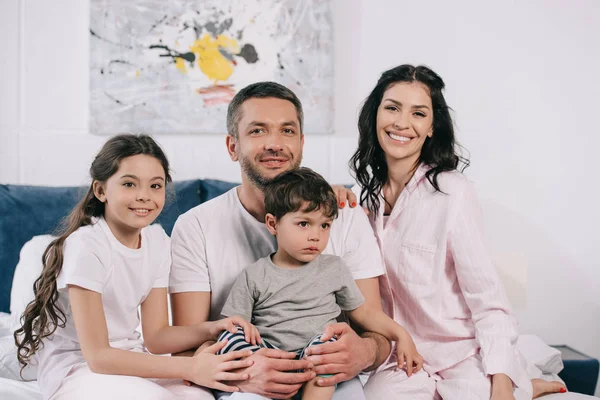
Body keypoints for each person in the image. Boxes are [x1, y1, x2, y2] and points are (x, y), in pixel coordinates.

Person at [346, 64, 567, 400]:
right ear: (374, 115)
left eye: (418, 113)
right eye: (391, 108)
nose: (402, 123)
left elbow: (487, 299)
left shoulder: (453, 191)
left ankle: (524, 383)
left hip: (461, 353)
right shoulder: (363, 195)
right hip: (403, 355)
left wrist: (503, 384)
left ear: (432, 126)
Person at [169, 82, 391, 400]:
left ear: (301, 143)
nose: (275, 144)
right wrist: (244, 372)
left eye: (287, 131)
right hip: (245, 383)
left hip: (329, 380)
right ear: (233, 146)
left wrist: (365, 352)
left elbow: (376, 333)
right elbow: (186, 350)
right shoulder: (195, 227)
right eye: (258, 131)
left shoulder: (345, 214)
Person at [14, 134, 255, 400]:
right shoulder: (87, 245)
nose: (144, 196)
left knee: (198, 396)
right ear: (100, 190)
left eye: (155, 186)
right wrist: (190, 366)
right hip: (79, 368)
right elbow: (98, 357)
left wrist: (211, 328)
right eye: (129, 184)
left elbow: (157, 337)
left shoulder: (157, 241)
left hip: (132, 359)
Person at [216, 167, 423, 400]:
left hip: (319, 358)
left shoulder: (333, 268)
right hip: (272, 361)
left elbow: (364, 312)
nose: (316, 235)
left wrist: (401, 335)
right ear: (273, 224)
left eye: (324, 225)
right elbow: (231, 326)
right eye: (304, 224)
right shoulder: (254, 275)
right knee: (229, 340)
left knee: (328, 348)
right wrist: (246, 330)